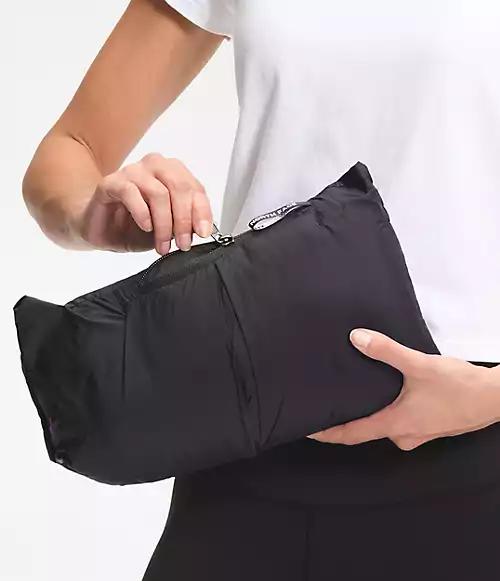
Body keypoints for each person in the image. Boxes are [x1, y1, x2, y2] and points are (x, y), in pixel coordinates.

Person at [21, 1, 500, 579]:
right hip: (246, 424)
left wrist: (491, 396)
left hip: (474, 444)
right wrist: (92, 214)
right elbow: (71, 147)